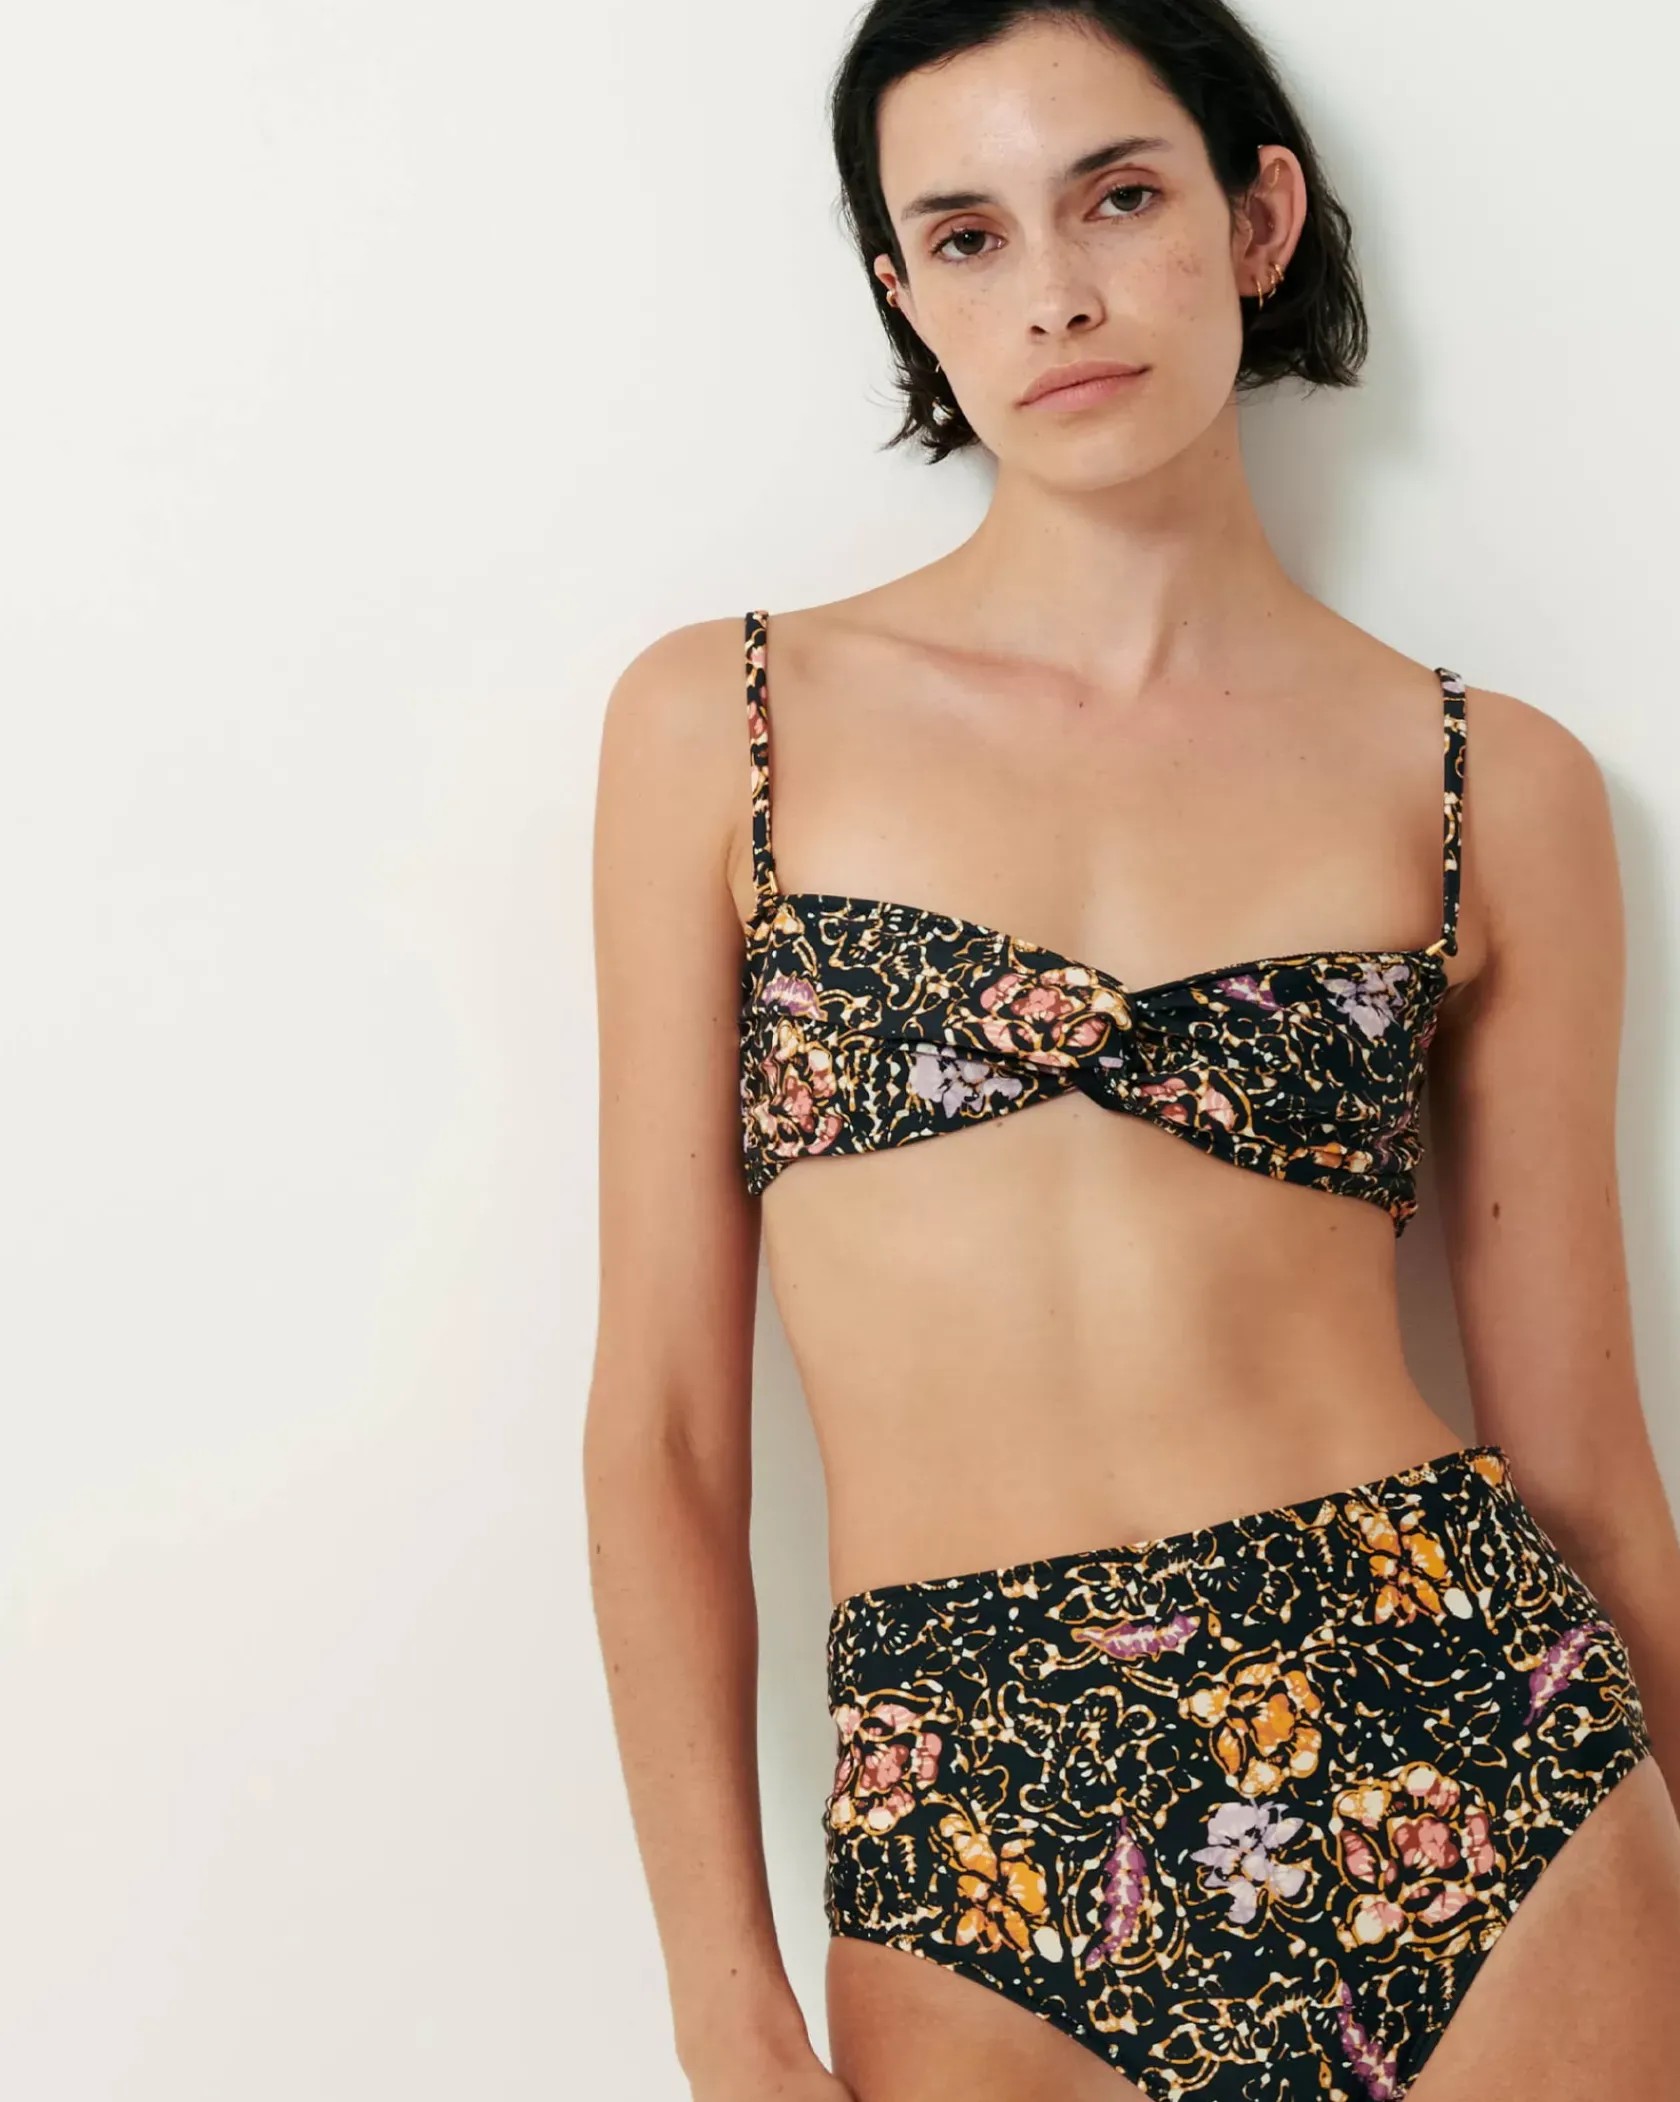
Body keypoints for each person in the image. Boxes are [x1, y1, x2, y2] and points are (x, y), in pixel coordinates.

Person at [584, 3, 1680, 2096]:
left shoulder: (1489, 783)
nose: (1058, 293)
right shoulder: (726, 728)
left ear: (1257, 220)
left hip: (1478, 1754)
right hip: (967, 1816)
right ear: (904, 295)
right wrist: (725, 2004)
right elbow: (664, 1430)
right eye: (968, 236)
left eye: (1117, 198)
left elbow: (1589, 1467)